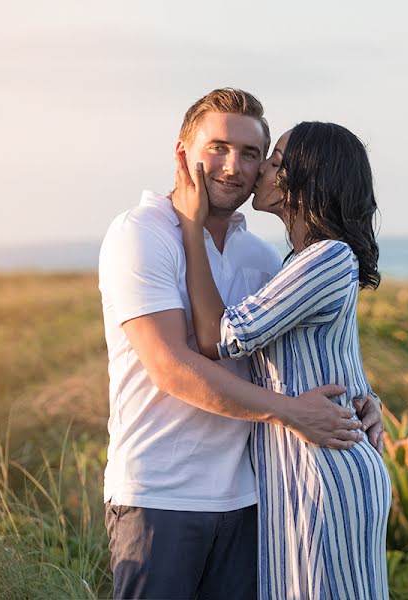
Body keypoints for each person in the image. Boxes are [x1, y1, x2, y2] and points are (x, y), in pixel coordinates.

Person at [98, 88, 384, 600]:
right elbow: (171, 365)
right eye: (219, 148)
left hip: (254, 497)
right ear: (183, 152)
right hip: (163, 495)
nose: (234, 167)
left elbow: (301, 352)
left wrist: (364, 397)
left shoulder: (265, 256)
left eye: (254, 154)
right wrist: (289, 412)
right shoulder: (141, 233)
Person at [172, 121, 391, 599]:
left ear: (305, 178)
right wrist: (367, 396)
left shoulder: (327, 257)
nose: (259, 172)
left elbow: (220, 336)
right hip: (299, 470)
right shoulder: (298, 261)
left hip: (322, 473)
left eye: (273, 162)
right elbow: (333, 351)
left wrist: (191, 227)